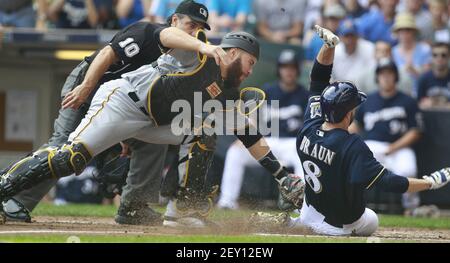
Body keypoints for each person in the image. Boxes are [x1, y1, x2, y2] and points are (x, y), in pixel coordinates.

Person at [0, 31, 304, 227]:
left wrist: (280, 176)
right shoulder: (197, 52)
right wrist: (203, 45)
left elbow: (248, 132)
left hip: (154, 123)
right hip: (123, 102)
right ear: (234, 52)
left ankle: (182, 211)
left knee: (204, 130)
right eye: (250, 62)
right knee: (71, 159)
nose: (251, 71)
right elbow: (167, 34)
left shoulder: (223, 90)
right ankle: (4, 186)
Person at [0, 0, 215, 225]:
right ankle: (15, 200)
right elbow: (106, 54)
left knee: (152, 143)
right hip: (87, 85)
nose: (195, 32)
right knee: (64, 146)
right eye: (191, 25)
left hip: (121, 106)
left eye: (200, 28)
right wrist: (84, 88)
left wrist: (125, 133)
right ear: (174, 20)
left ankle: (134, 207)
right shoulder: (147, 31)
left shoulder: (182, 59)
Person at [253, 25, 449, 236]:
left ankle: (298, 223)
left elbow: (318, 79)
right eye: (354, 106)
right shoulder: (352, 145)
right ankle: (304, 224)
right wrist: (429, 183)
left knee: (318, 203)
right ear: (347, 113)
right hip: (338, 226)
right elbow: (392, 182)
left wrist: (328, 46)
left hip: (311, 210)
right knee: (371, 218)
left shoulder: (308, 127)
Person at [217, 49, 309, 210]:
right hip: (268, 141)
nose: (288, 71)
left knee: (304, 156)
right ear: (279, 69)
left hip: (291, 143)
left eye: (292, 67)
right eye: (285, 67)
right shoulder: (267, 91)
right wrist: (244, 137)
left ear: (298, 70)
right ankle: (227, 201)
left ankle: (302, 204)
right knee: (235, 151)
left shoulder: (304, 95)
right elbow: (252, 116)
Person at [350, 58, 423, 215]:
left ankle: (411, 208)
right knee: (351, 164)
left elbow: (416, 131)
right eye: (382, 74)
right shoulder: (367, 100)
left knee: (408, 169)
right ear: (377, 77)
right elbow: (356, 126)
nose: (386, 77)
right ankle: (349, 205)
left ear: (396, 76)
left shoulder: (408, 101)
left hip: (399, 147)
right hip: (372, 147)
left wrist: (393, 147)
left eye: (389, 73)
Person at [417, 42, 450, 109]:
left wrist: (435, 104)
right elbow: (418, 105)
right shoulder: (423, 79)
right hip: (430, 118)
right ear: (431, 57)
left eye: (443, 55)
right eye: (435, 55)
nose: (439, 58)